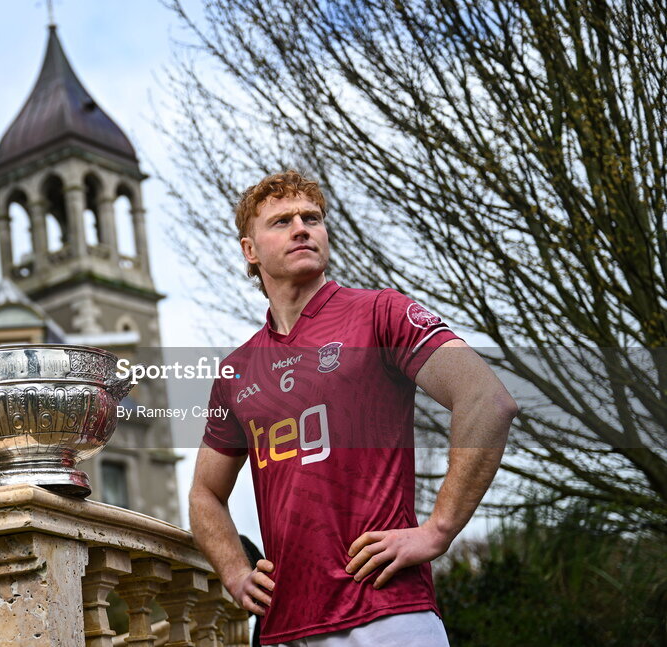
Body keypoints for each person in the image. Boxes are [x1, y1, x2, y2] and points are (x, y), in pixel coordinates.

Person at [190, 170, 518, 646]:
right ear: (250, 251)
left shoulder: (380, 313)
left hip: (388, 615)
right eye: (282, 221)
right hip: (285, 627)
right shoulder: (237, 371)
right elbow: (204, 493)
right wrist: (236, 573)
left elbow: (488, 399)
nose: (302, 227)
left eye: (313, 218)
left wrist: (438, 530)